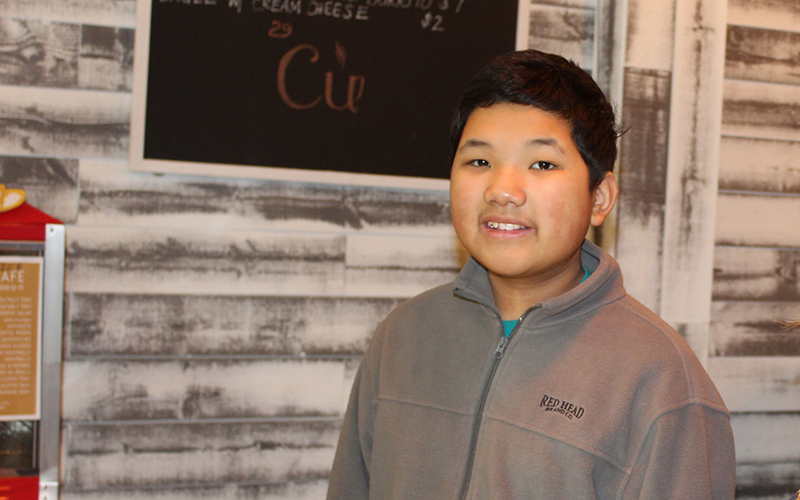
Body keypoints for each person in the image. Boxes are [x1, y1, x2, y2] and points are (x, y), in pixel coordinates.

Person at [326, 49, 735, 499]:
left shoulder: (661, 380)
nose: (502, 190)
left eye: (542, 164)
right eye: (479, 162)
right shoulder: (402, 337)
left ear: (599, 197)